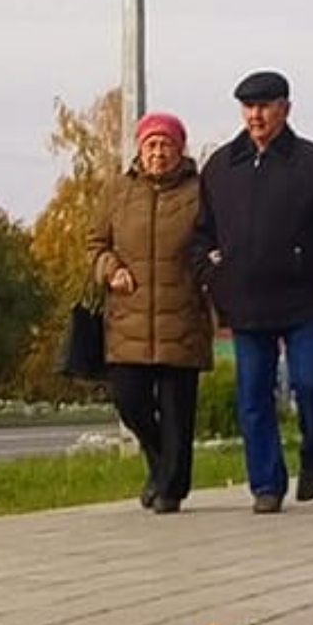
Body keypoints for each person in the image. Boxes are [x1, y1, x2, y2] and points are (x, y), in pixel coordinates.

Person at [194, 70, 313, 514]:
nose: (256, 116)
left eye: (265, 106)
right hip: (246, 302)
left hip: (305, 300)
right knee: (253, 396)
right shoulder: (221, 167)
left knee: (311, 385)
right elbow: (201, 233)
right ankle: (266, 484)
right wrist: (213, 274)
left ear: (285, 109)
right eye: (248, 107)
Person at [88, 112, 213, 514]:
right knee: (130, 402)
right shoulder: (118, 192)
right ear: (140, 149)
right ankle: (163, 468)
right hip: (128, 319)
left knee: (177, 413)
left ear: (180, 150)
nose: (159, 153)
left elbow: (215, 242)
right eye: (151, 145)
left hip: (182, 318)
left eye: (166, 145)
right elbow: (96, 245)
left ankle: (170, 489)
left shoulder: (201, 193)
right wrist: (110, 269)